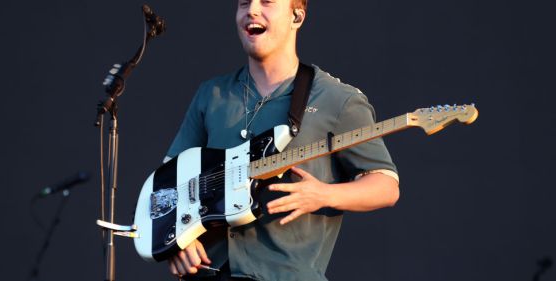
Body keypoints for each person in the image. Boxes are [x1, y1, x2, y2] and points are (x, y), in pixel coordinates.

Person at [164, 0, 400, 280]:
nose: (251, 10)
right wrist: (177, 242)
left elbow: (385, 185)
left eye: (266, 2)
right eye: (243, 3)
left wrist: (323, 195)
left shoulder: (338, 100)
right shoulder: (212, 93)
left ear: (297, 16)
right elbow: (166, 185)